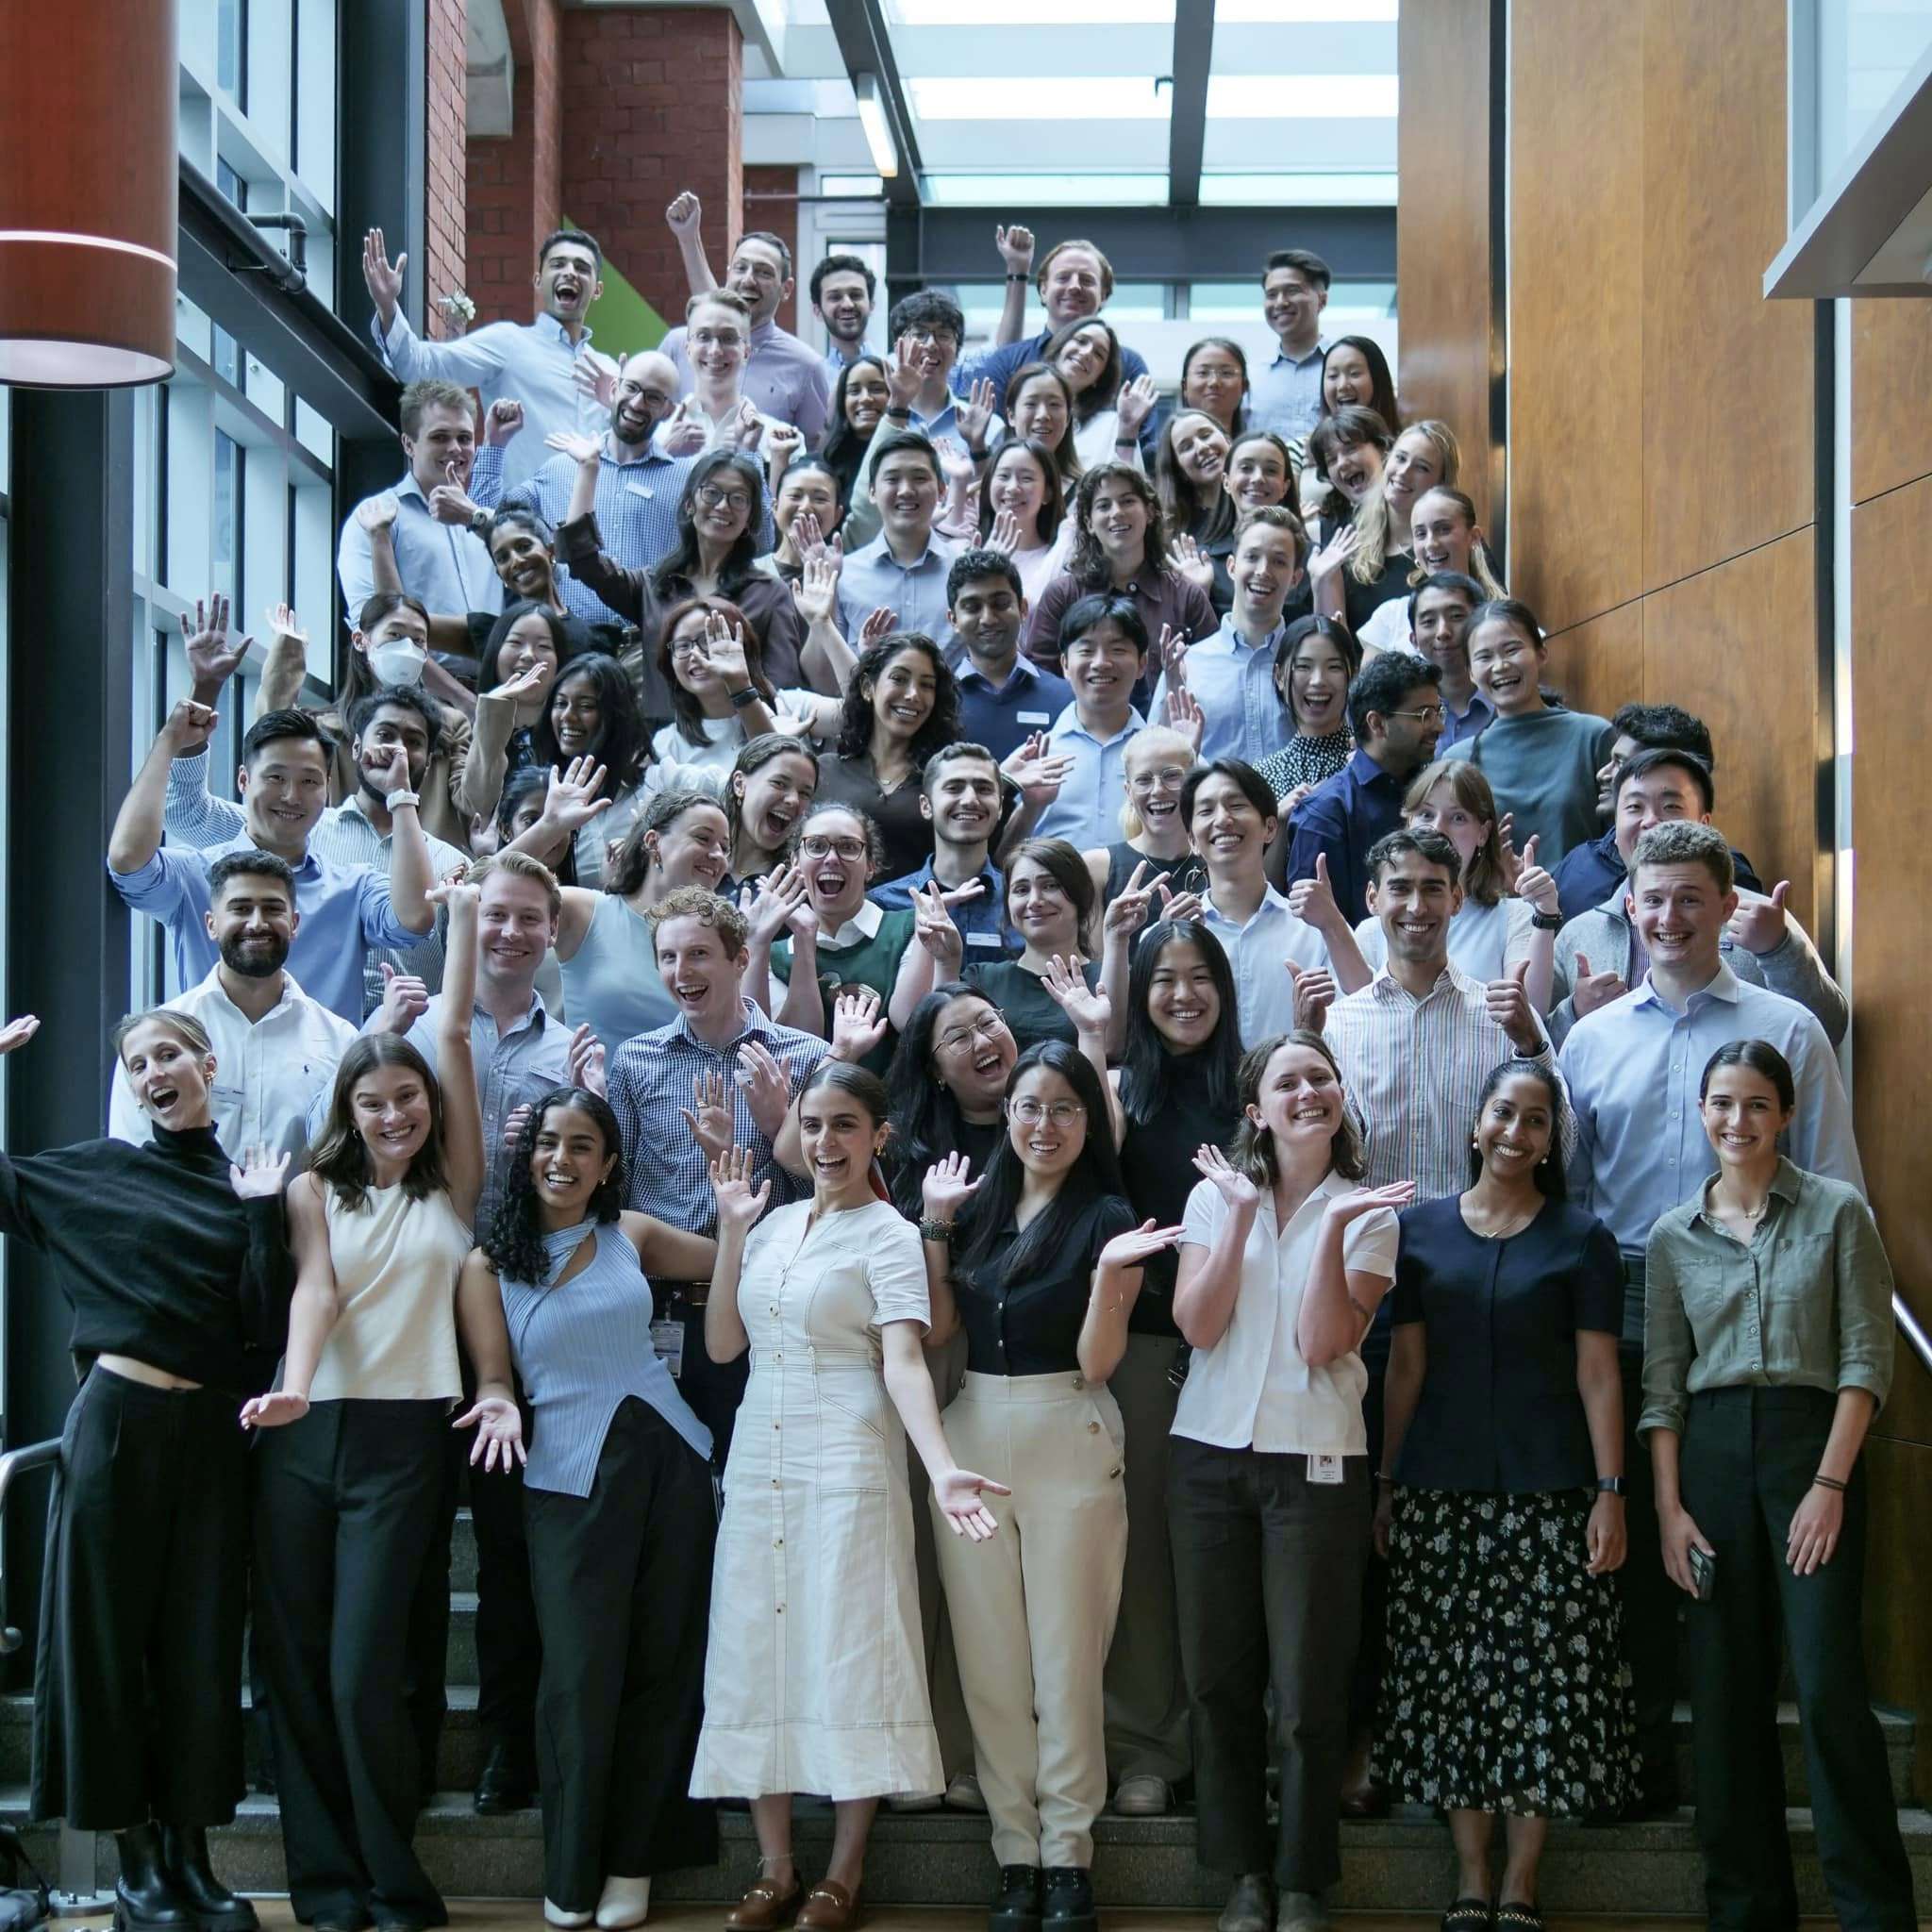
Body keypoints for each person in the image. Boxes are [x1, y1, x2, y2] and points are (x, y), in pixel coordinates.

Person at [1558, 821, 1864, 1822]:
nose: (1667, 916)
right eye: (1650, 898)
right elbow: (1569, 1191)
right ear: (1627, 907)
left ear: (1724, 904)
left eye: (1689, 896)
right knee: (1636, 1533)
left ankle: (1754, 1758)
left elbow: (1830, 1186)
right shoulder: (1590, 1034)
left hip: (1750, 1303)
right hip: (1628, 1297)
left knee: (1731, 1538)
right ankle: (1639, 1757)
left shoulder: (1784, 1027)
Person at [694, 1063, 1008, 1932]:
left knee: (851, 1637)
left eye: (844, 1125)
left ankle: (844, 1869)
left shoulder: (893, 1234)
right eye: (812, 1124)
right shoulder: (771, 1222)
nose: (826, 1142)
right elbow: (724, 1346)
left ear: (878, 1138)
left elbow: (904, 1360)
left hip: (850, 1447)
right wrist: (729, 1235)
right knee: (758, 1639)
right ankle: (773, 1865)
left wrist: (941, 1466)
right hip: (761, 1447)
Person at [0, 1007, 291, 1932]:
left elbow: (267, 1330)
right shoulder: (94, 1171)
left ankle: (191, 1857)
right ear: (131, 1084)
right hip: (117, 1422)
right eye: (137, 1061)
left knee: (201, 1646)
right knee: (108, 1643)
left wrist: (259, 1217)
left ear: (207, 1064)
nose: (153, 1069)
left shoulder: (249, 1182)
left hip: (211, 1431)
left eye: (169, 1053)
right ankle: (136, 1868)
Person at [242, 878, 486, 1932]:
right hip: (305, 1430)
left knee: (360, 1672)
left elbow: (458, 1034)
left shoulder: (454, 1187)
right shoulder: (313, 1189)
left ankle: (394, 1880)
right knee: (297, 1672)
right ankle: (327, 1885)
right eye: (373, 1102)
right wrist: (294, 1382)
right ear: (346, 1110)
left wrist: (465, 920)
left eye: (407, 1098)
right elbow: (316, 1288)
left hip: (407, 1436)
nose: (393, 1114)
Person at [1641, 1041, 1916, 1932]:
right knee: (1724, 1694)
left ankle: (1873, 1911)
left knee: (1831, 1688)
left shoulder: (1838, 1214)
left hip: (1814, 1453)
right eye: (1722, 1103)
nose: (1737, 1121)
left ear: (1787, 1114)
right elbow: (1663, 1387)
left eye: (1757, 1104)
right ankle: (1748, 1910)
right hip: (1711, 1461)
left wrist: (1831, 1480)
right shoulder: (1673, 1235)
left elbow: (1868, 1358)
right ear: (1701, 1110)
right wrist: (1670, 1510)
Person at [919, 1041, 1173, 1932]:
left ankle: (1068, 1853)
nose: (1044, 1124)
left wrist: (1109, 1278)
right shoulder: (980, 1206)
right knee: (990, 1660)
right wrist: (936, 1226)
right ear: (1008, 1116)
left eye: (1066, 1107)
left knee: (1067, 1659)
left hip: (1072, 1425)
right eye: (1030, 1106)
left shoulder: (1110, 1216)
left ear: (1088, 1120)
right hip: (974, 1433)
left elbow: (1099, 1363)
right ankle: (1013, 1851)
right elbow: (942, 1323)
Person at [1376, 1059, 1634, 1931]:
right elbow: (1405, 1367)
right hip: (1439, 1492)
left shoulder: (1582, 1237)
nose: (1517, 1134)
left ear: (1550, 1139)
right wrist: (1385, 1481)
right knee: (1453, 1685)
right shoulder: (1417, 1232)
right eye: (1503, 1115)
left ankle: (1522, 1882)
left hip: (1550, 1493)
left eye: (1535, 1122)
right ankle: (1470, 1876)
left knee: (1543, 1692)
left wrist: (1611, 1490)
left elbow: (1598, 1373)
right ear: (1475, 1125)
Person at [463, 1088, 722, 1930]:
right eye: (548, 1142)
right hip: (564, 1475)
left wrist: (734, 1198)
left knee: (663, 1663)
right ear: (525, 1153)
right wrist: (498, 1402)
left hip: (670, 1459)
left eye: (582, 1146)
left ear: (608, 1165)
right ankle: (572, 1869)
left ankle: (634, 1862)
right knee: (576, 1676)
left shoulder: (633, 1236)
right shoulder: (486, 1266)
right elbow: (495, 1376)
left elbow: (732, 1262)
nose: (562, 1159)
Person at [1170, 1030, 1411, 1932]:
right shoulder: (1210, 1195)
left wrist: (1335, 1228)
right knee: (1218, 1679)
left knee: (1310, 1683)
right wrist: (1237, 1217)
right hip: (1207, 1459)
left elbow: (1322, 1346)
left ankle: (1304, 1879)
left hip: (1318, 1463)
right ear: (1255, 1110)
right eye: (1288, 1082)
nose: (1308, 1092)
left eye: (1321, 1077)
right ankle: (1241, 1876)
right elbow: (1198, 1327)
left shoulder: (1371, 1211)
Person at [605, 888, 832, 1458]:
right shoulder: (634, 1061)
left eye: (700, 954)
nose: (682, 971)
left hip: (767, 1300)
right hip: (662, 1306)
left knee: (757, 1468)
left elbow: (831, 1193)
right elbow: (616, 1190)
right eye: (668, 957)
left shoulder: (804, 1057)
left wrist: (779, 1121)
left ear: (740, 960)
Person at [1105, 920, 1246, 1819]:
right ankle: (1149, 1746)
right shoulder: (1120, 1093)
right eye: (1164, 980)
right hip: (1151, 1348)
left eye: (1201, 978)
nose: (1184, 995)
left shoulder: (1255, 1088)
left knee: (1240, 1557)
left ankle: (1244, 1744)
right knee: (1148, 1561)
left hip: (1252, 1349)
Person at [163, 632, 471, 1014]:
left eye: (413, 741)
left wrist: (400, 795)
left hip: (392, 1046)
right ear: (356, 747)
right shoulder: (298, 823)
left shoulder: (447, 858)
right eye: (386, 735)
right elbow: (187, 814)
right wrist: (203, 693)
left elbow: (435, 936)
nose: (397, 750)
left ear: (429, 755)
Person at [108, 702, 437, 1026]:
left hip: (326, 1075)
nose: (292, 796)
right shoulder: (197, 874)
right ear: (244, 780)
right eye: (276, 777)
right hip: (212, 1072)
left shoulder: (353, 888)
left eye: (309, 782)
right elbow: (128, 860)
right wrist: (167, 742)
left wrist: (400, 794)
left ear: (327, 788)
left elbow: (415, 918)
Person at [1549, 747, 1846, 1047]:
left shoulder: (1759, 918)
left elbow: (1829, 1029)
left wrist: (1779, 950)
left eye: (1671, 807)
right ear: (1615, 827)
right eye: (1635, 807)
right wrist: (1574, 1012)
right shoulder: (1579, 934)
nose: (1651, 821)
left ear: (1705, 825)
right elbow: (1538, 1057)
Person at [106, 851, 358, 1163]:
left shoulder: (340, 1040)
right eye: (240, 909)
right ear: (212, 925)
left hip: (299, 1212)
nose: (256, 923)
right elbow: (128, 1155)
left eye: (272, 909)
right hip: (182, 1211)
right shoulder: (154, 1044)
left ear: (293, 925)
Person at [362, 226, 608, 491]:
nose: (570, 272)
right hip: (522, 527)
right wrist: (388, 307)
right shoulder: (509, 344)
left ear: (597, 289)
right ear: (538, 280)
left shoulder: (612, 374)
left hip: (594, 529)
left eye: (582, 267)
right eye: (558, 264)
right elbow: (422, 366)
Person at [470, 353, 700, 627]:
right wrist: (495, 443)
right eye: (632, 388)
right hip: (572, 646)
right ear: (614, 389)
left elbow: (750, 544)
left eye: (653, 397)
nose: (638, 403)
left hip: (646, 649)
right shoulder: (561, 469)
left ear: (667, 410)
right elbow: (488, 518)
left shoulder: (686, 480)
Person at [241, 593, 477, 854]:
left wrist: (492, 718)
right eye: (395, 636)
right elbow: (272, 734)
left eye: (418, 640)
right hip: (340, 862)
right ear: (360, 640)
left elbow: (474, 798)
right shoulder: (326, 728)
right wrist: (287, 656)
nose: (407, 648)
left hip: (427, 869)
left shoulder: (450, 726)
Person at [559, 448, 808, 690]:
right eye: (712, 493)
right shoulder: (655, 584)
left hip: (739, 727)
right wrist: (588, 469)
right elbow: (584, 562)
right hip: (659, 730)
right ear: (689, 504)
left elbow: (782, 688)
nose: (723, 506)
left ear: (749, 519)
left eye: (738, 498)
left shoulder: (770, 594)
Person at [1187, 759, 1370, 1048]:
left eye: (1236, 805)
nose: (1222, 819)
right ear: (1192, 840)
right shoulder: (1178, 933)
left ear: (1270, 828)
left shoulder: (1313, 927)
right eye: (1206, 810)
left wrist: (1333, 923)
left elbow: (1368, 1008)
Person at [1350, 758, 1557, 1006]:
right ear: (1409, 823)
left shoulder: (1514, 917)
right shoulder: (1373, 930)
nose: (1437, 828)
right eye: (1426, 814)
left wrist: (1545, 912)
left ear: (1483, 832)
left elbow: (1531, 1016)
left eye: (1458, 818)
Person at [1552, 704, 1763, 922]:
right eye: (1635, 807)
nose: (1603, 774)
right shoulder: (1578, 865)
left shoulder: (1728, 875)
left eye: (1621, 763)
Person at [1276, 649, 1442, 925]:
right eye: (1423, 715)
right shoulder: (1324, 812)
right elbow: (1311, 931)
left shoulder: (1437, 795)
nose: (1438, 725)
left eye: (1438, 712)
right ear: (1377, 723)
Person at [1443, 599, 1613, 864]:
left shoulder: (1593, 736)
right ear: (1471, 674)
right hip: (1495, 904)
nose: (1500, 666)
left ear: (1541, 653)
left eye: (1511, 650)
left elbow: (1620, 837)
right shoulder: (1456, 760)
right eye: (1484, 657)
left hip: (1584, 903)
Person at [661, 193, 833, 445]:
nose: (748, 280)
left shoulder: (806, 367)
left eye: (764, 272)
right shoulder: (677, 345)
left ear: (787, 288)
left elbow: (814, 455)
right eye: (741, 268)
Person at [1024, 465, 1218, 686]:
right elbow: (1040, 679)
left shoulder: (1186, 595)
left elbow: (1214, 672)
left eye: (1127, 501)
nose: (1116, 512)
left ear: (1150, 512)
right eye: (1103, 505)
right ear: (1089, 523)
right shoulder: (1062, 594)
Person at [1151, 509, 1308, 768]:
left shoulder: (1309, 662)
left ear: (1295, 578)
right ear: (1232, 567)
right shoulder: (1187, 664)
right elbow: (1157, 761)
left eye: (1279, 561)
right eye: (1252, 557)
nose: (1263, 570)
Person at [339, 379, 503, 620]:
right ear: (408, 444)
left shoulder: (485, 522)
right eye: (440, 437)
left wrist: (474, 517)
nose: (456, 448)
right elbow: (369, 621)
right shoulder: (376, 516)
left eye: (465, 438)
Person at [806, 630, 962, 880]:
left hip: (918, 915)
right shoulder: (824, 771)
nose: (913, 694)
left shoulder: (945, 779)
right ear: (868, 688)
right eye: (899, 679)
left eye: (926, 685)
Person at [1029, 596, 1166, 850]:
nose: (1101, 663)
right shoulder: (1038, 756)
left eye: (1118, 650)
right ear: (1065, 665)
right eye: (1086, 650)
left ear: (1142, 664)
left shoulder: (1163, 752)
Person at [958, 229, 1153, 404]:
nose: (1074, 286)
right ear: (1043, 290)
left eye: (1086, 280)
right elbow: (991, 439)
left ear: (1103, 295)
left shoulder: (1129, 366)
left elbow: (1146, 443)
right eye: (1063, 277)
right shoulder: (1006, 362)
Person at [872, 743, 1021, 963]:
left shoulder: (1021, 903)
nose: (970, 799)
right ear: (926, 806)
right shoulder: (885, 906)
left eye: (984, 789)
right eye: (954, 788)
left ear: (999, 807)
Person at [526, 652, 654, 888]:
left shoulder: (656, 783)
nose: (567, 716)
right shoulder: (537, 790)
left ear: (615, 715)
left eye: (585, 706)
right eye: (560, 703)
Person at [947, 547, 1074, 760]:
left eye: (1001, 604)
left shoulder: (1065, 699)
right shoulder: (937, 701)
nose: (988, 618)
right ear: (953, 620)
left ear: (1023, 609)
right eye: (972, 607)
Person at [835, 432, 959, 644]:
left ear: (941, 490)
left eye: (919, 478)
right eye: (892, 479)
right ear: (872, 492)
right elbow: (818, 669)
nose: (906, 491)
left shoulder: (962, 571)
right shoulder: (844, 574)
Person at [1357, 487, 1506, 660]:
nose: (1430, 544)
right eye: (1421, 534)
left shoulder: (1506, 618)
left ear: (1473, 536)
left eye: (1443, 529)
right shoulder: (1390, 617)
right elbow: (1369, 687)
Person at [1082, 725, 1207, 909]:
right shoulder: (1098, 867)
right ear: (1129, 792)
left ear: (1194, 783)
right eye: (1144, 780)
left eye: (1171, 776)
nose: (1158, 790)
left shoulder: (1218, 859)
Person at [1252, 615, 1357, 808]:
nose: (1318, 680)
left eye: (1334, 667)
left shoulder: (1370, 761)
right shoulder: (1261, 776)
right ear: (1279, 677)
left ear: (1352, 675)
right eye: (1303, 667)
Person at [1045, 315, 1157, 470]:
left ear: (1100, 377)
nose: (1086, 353)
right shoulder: (1024, 404)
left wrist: (1127, 431)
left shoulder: (1113, 426)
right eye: (1081, 341)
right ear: (1060, 348)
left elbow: (1130, 487)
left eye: (1098, 354)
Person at [1400, 571, 1491, 751]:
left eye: (1456, 616)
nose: (1443, 632)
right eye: (1429, 621)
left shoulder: (1509, 699)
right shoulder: (1401, 712)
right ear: (1414, 640)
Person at [976, 440, 1072, 607]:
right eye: (1003, 476)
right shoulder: (969, 550)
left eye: (1026, 478)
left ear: (1047, 493)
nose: (1012, 487)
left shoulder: (1063, 558)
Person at [1250, 249, 1333, 440]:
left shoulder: (1346, 370)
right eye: (1271, 295)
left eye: (1292, 291)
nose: (1280, 302)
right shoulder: (1252, 378)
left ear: (1322, 300)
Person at [727, 735, 820, 888]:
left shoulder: (799, 884)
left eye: (804, 793)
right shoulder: (696, 857)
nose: (794, 800)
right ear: (739, 784)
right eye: (779, 783)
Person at [821, 355, 891, 541]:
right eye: (854, 391)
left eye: (876, 389)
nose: (866, 398)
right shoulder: (825, 463)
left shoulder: (907, 456)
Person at [1003, 364, 1086, 497]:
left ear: (1068, 418)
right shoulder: (992, 489)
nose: (1043, 415)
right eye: (1031, 404)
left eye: (1054, 404)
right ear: (1011, 415)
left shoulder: (1086, 493)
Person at [809, 253, 879, 377]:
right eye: (835, 297)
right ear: (817, 311)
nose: (848, 305)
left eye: (856, 295)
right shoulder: (811, 381)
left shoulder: (896, 372)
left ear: (871, 305)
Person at [1318, 337, 1400, 440]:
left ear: (1378, 379)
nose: (1342, 386)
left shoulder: (1404, 448)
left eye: (1354, 373)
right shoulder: (1305, 450)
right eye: (1333, 376)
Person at [1176, 337, 1252, 441]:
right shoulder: (1160, 453)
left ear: (1244, 386)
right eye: (1203, 373)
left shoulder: (1257, 452)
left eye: (1226, 373)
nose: (1214, 382)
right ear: (1184, 386)